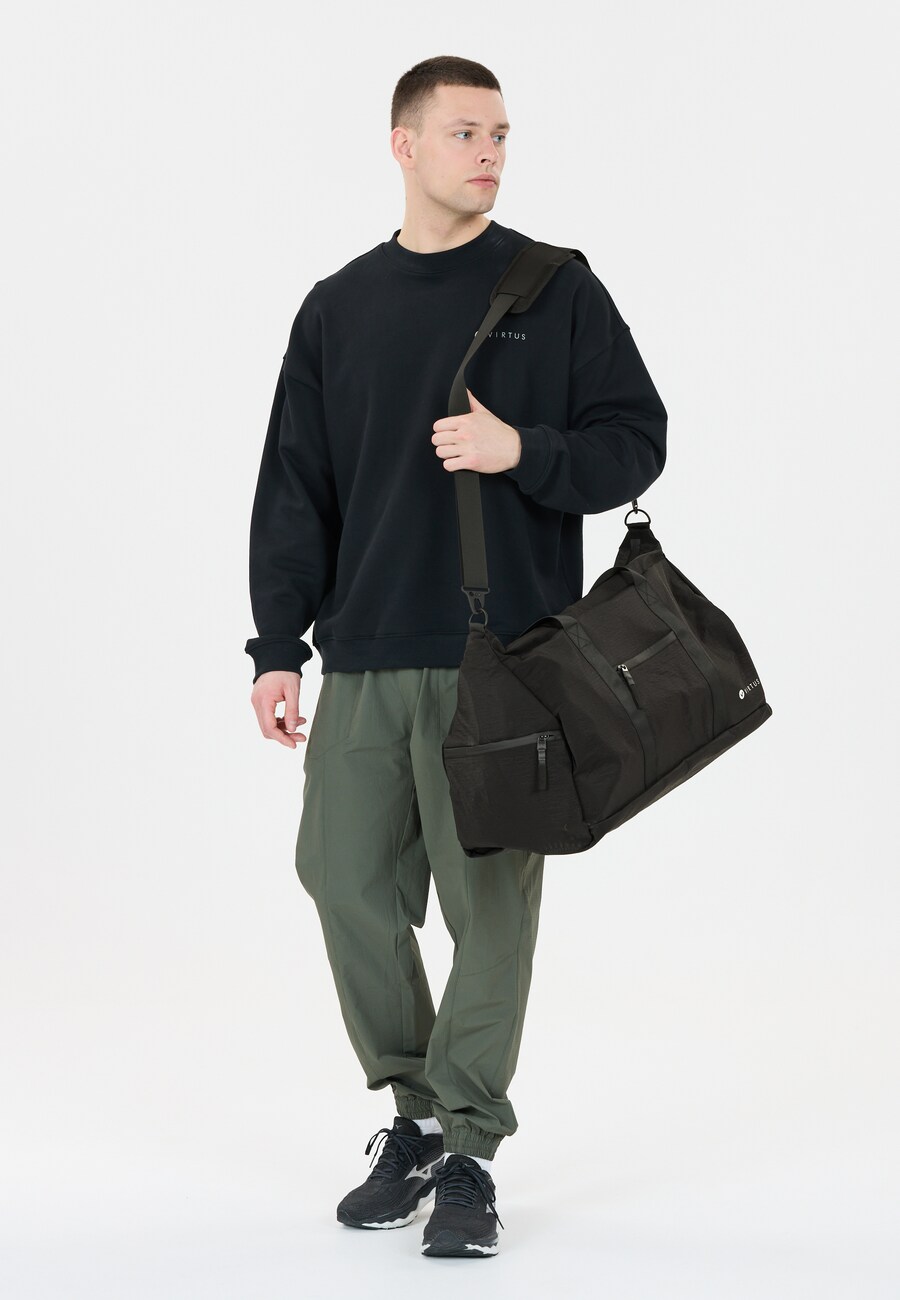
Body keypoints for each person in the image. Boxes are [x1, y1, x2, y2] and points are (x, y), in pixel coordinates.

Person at [244, 54, 668, 1260]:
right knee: (340, 878)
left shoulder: (555, 288)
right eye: (466, 132)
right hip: (367, 649)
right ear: (405, 145)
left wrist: (522, 449)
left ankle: (471, 1147)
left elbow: (637, 440)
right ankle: (418, 1112)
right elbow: (296, 489)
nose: (490, 153)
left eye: (501, 134)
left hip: (507, 658)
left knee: (490, 908)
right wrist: (278, 645)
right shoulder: (337, 306)